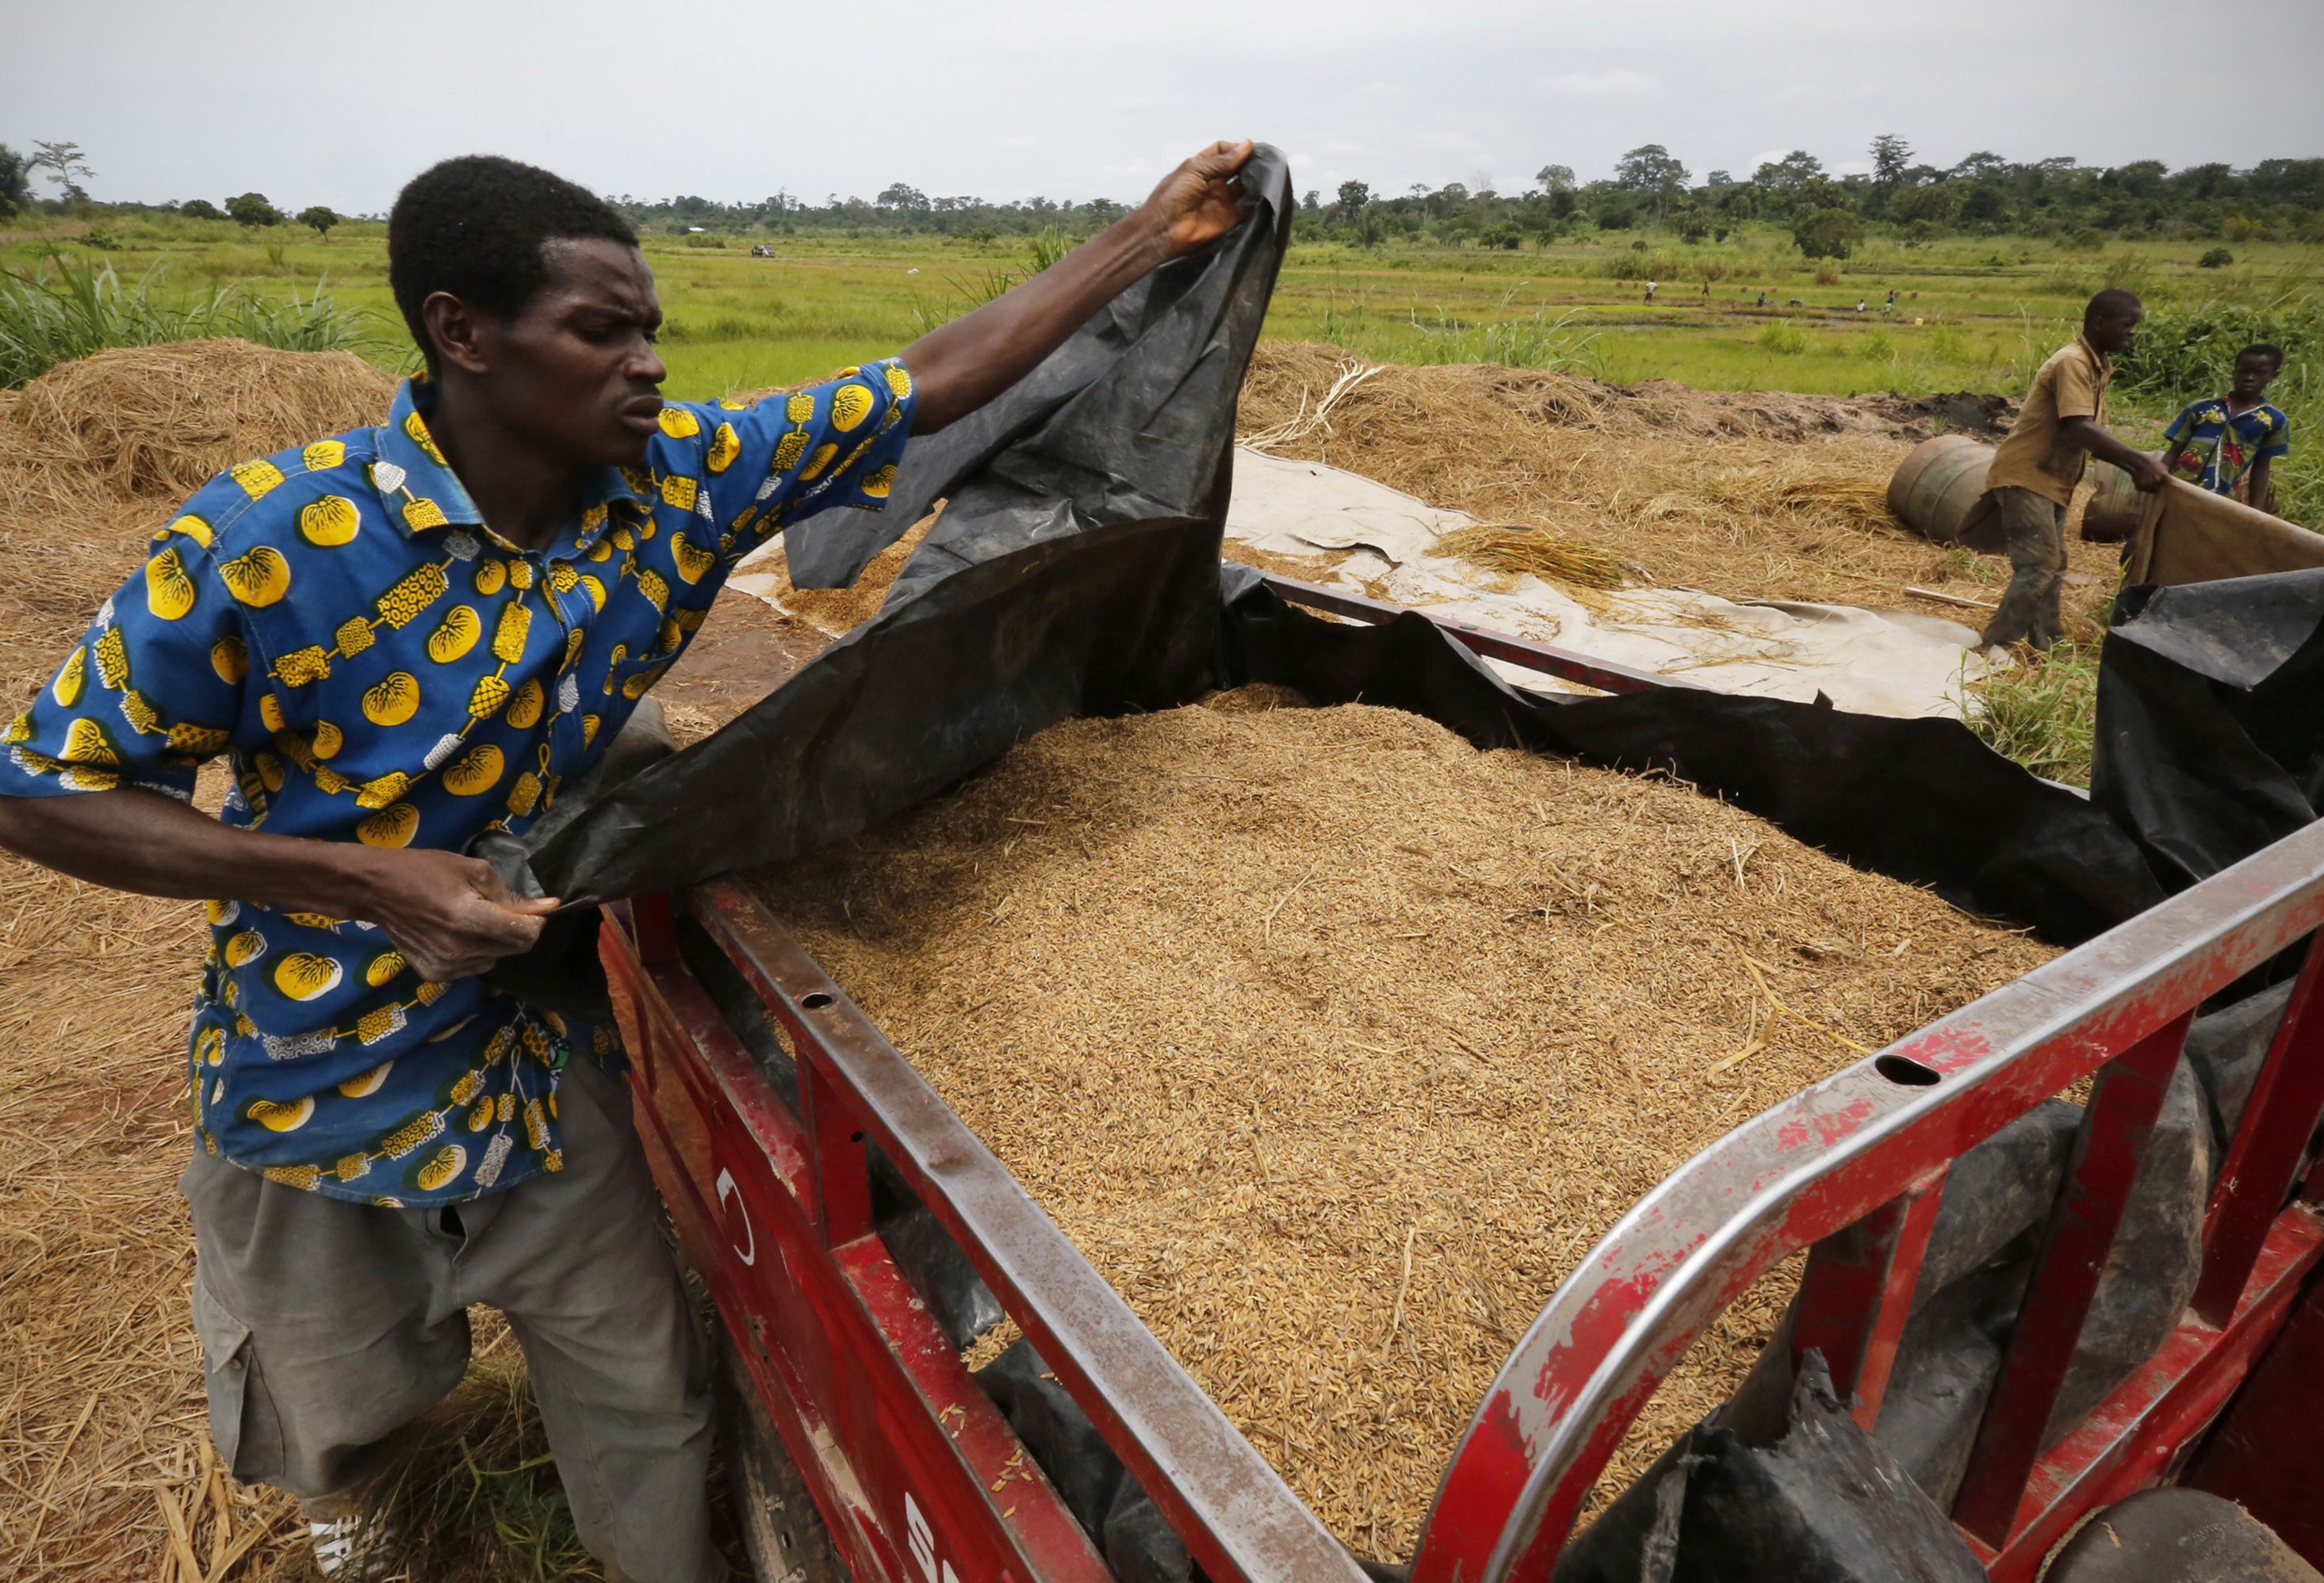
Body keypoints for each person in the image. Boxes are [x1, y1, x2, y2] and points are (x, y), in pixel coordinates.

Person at [0, 143, 1257, 1583]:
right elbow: (39, 794)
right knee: (337, 1406)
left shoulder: (681, 485)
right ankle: (364, 1526)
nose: (648, 363)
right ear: (463, 331)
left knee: (643, 1405)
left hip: (531, 1055)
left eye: (651, 327)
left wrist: (1151, 233)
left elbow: (923, 379)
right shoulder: (274, 541)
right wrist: (368, 882)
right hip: (311, 1063)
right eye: (604, 330)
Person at [1967, 288, 2167, 650]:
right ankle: (1994, 646)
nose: (2132, 332)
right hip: (2026, 476)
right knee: (2039, 567)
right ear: (2098, 322)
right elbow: (2079, 427)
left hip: (2052, 481)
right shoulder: (2072, 362)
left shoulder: (2098, 368)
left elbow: (2095, 436)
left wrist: (2140, 467)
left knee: (2055, 564)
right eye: (2127, 324)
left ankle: (2047, 645)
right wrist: (2140, 462)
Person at [2159, 342, 2291, 511]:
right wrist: (2159, 479)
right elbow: (2175, 449)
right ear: (2234, 373)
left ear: (2274, 376)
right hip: (2178, 488)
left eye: (2259, 373)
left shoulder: (2273, 420)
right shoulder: (2200, 408)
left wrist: (2256, 510)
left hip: (2221, 499)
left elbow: (2262, 466)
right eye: (2244, 371)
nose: (2250, 377)